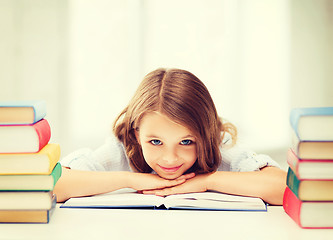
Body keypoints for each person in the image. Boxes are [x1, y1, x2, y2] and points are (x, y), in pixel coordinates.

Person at [54, 68, 287, 205]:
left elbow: (284, 187)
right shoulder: (124, 149)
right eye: (155, 142)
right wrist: (131, 180)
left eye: (186, 142)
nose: (169, 159)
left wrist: (207, 181)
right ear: (136, 134)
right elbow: (54, 184)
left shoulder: (218, 149)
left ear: (204, 136)